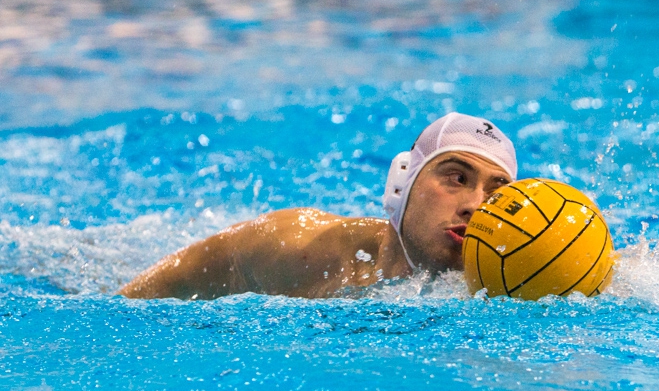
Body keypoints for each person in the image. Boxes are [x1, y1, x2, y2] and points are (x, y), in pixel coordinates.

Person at [118, 113, 518, 299]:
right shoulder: (299, 248)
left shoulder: (520, 283)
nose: (475, 206)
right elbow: (131, 304)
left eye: (495, 192)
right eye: (456, 178)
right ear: (402, 183)